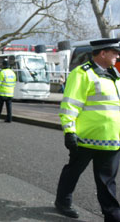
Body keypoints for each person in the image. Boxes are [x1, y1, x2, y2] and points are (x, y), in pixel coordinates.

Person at [55, 38, 120, 221]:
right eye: (114, 52)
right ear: (103, 53)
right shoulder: (82, 74)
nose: (117, 55)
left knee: (107, 182)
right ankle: (63, 201)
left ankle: (113, 216)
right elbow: (70, 105)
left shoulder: (114, 74)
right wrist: (69, 131)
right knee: (73, 172)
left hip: (112, 139)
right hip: (85, 138)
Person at [0, 59, 16, 123]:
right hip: (10, 92)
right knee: (9, 107)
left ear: (3, 65)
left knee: (0, 106)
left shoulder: (2, 72)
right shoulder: (12, 73)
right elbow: (14, 83)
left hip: (2, 93)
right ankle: (9, 119)